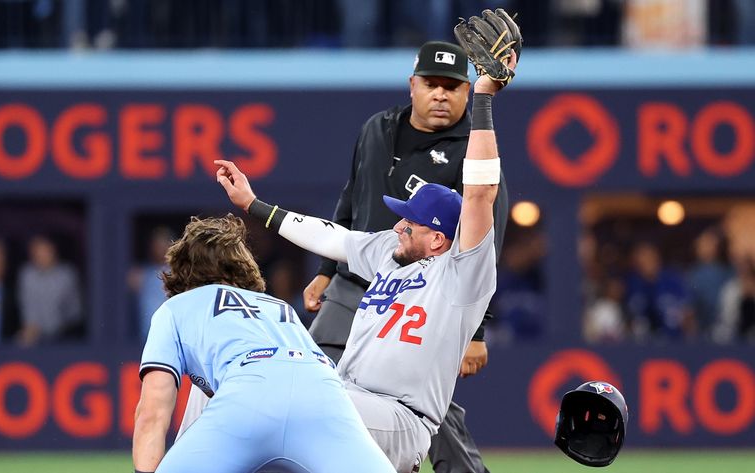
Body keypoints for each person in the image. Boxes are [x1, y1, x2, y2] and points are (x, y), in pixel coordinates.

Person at [213, 43, 510, 469]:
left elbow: (481, 194)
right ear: (412, 86)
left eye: (410, 221)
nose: (398, 226)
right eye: (431, 84)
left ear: (440, 240)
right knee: (273, 399)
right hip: (355, 402)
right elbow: (329, 234)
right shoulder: (389, 251)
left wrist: (484, 98)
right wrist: (253, 204)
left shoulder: (460, 278)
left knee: (301, 402)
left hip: (398, 418)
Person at [303, 40, 508, 473]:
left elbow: (487, 242)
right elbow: (350, 196)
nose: (440, 94)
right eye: (431, 84)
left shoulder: (470, 148)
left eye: (452, 87)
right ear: (411, 85)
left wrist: (478, 329)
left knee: (422, 404)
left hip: (420, 294)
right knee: (313, 377)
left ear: (467, 94)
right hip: (354, 282)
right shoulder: (376, 128)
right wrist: (326, 271)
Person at [133, 215, 395, 473]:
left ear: (180, 272)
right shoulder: (279, 306)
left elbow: (152, 412)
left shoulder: (176, 308)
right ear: (243, 266)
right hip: (324, 396)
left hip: (248, 395)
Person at [17, 235, 82, 345]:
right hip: (32, 339)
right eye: (37, 252)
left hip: (64, 337)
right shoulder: (27, 275)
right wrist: (31, 328)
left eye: (44, 251)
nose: (41, 256)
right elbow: (27, 306)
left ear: (53, 251)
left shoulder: (67, 275)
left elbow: (75, 312)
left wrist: (57, 329)